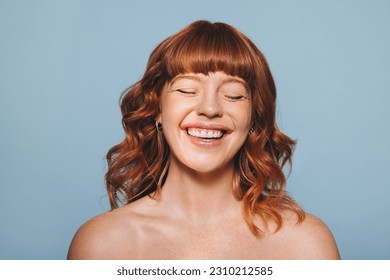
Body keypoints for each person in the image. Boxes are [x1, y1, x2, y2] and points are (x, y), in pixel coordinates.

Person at [67, 20, 340, 259]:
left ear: (254, 117)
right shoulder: (100, 245)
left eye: (233, 94)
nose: (210, 109)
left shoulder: (305, 244)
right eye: (187, 89)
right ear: (157, 110)